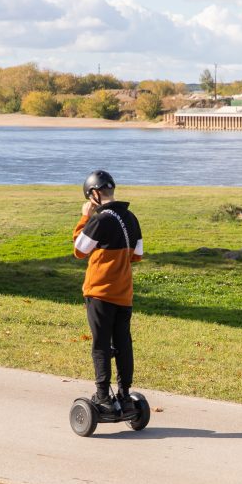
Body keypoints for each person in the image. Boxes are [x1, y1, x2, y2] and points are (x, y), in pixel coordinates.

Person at [72, 170, 143, 415]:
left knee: (101, 344)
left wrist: (84, 217)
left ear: (94, 194)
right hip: (124, 293)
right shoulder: (131, 218)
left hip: (100, 292)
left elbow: (79, 249)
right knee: (123, 342)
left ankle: (102, 396)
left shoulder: (100, 219)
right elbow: (137, 255)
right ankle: (124, 395)